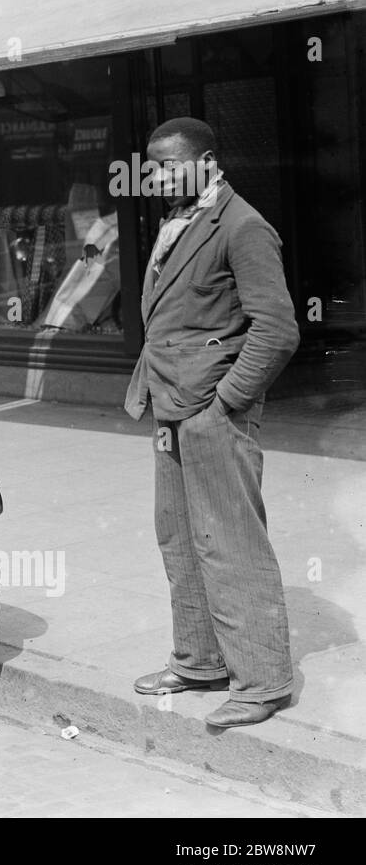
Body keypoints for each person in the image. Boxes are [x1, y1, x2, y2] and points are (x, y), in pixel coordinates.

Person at [125, 117, 300, 728]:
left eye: (169, 166)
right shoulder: (179, 219)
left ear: (207, 162)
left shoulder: (245, 227)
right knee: (178, 536)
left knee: (230, 543)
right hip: (172, 406)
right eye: (150, 168)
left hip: (212, 412)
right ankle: (200, 661)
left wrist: (226, 402)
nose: (156, 177)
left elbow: (277, 330)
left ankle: (263, 682)